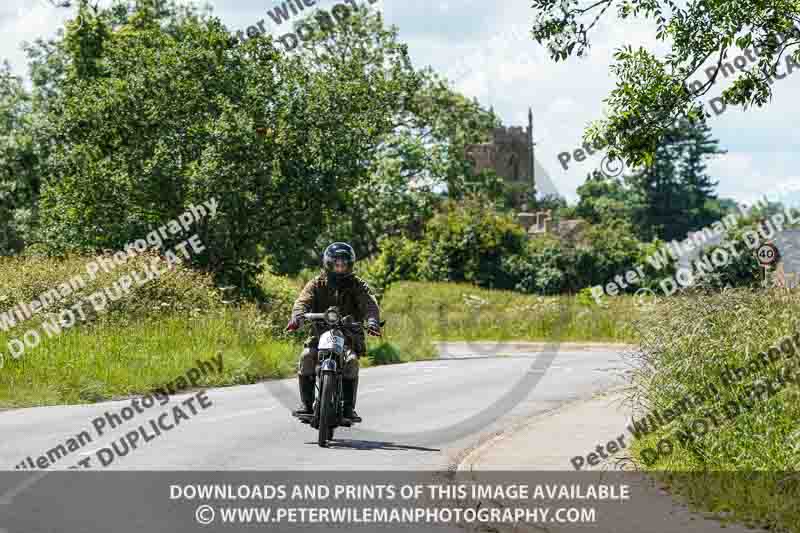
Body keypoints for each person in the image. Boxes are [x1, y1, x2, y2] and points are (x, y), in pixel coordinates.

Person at [286, 242, 382, 422]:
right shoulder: (316, 283)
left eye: (343, 264)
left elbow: (369, 304)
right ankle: (306, 404)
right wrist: (297, 317)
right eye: (336, 264)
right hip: (319, 334)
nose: (340, 268)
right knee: (306, 356)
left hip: (348, 336)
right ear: (329, 264)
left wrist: (372, 321)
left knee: (352, 361)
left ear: (350, 265)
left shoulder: (357, 285)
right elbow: (302, 301)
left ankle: (348, 407)